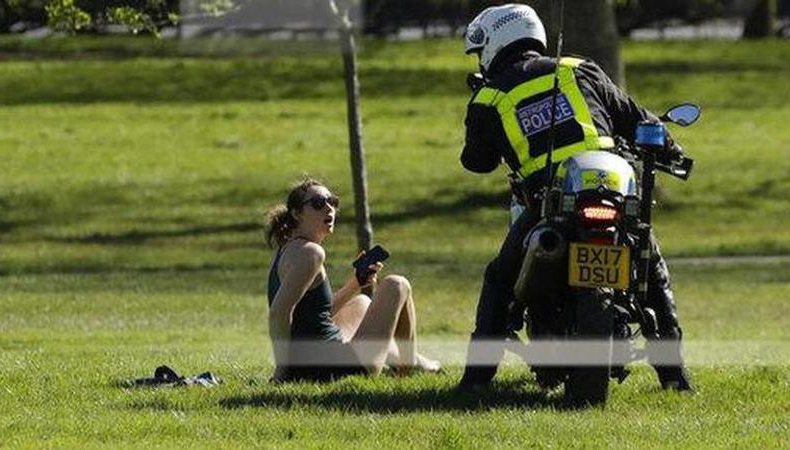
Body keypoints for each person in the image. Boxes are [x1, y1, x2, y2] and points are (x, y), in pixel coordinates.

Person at [457, 4, 692, 391]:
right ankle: (675, 378)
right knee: (651, 268)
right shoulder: (578, 69)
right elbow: (636, 118)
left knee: (499, 279)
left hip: (546, 202)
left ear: (495, 42)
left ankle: (475, 381)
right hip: (612, 194)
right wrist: (672, 148)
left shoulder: (489, 96)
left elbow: (477, 162)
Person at [265, 178, 441, 382]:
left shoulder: (285, 249)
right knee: (397, 284)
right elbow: (279, 313)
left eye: (332, 201)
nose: (329, 208)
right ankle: (408, 369)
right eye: (319, 203)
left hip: (318, 359)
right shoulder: (311, 253)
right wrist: (283, 372)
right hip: (340, 369)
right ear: (296, 213)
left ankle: (417, 362)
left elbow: (314, 314)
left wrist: (356, 283)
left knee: (361, 303)